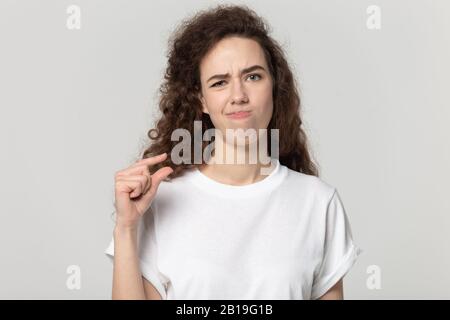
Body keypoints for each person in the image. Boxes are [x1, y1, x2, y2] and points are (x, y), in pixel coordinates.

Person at [105, 4, 361, 300]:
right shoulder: (160, 202)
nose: (238, 96)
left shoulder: (317, 202)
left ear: (274, 86)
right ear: (200, 99)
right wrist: (126, 228)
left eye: (253, 77)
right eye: (220, 82)